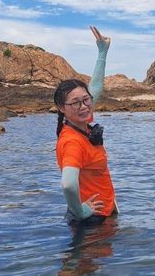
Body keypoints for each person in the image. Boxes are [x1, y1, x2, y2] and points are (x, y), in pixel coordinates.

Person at [54, 26, 118, 226]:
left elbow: (96, 88)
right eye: (75, 103)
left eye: (86, 100)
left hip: (100, 215)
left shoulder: (81, 125)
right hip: (90, 223)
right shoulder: (72, 141)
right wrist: (81, 212)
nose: (83, 106)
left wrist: (102, 52)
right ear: (61, 108)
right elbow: (68, 184)